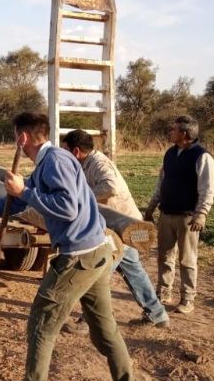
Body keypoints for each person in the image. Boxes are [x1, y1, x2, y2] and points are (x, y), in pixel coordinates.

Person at [0, 112, 137, 381]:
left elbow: (67, 206)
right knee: (105, 331)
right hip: (98, 252)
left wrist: (24, 191)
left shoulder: (55, 162)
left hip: (80, 257)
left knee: (41, 326)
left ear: (22, 138)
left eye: (13, 137)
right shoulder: (53, 161)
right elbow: (18, 204)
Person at [63, 129, 170, 328]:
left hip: (126, 229)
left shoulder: (98, 163)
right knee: (133, 270)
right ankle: (158, 315)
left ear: (76, 151)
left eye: (65, 151)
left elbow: (110, 187)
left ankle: (87, 322)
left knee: (98, 271)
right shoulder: (86, 164)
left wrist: (81, 199)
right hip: (126, 228)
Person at [144, 115, 214, 314]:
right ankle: (163, 292)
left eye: (173, 129)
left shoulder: (202, 156)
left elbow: (207, 189)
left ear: (184, 133)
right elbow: (161, 183)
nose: (170, 132)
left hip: (188, 218)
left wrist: (201, 213)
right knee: (164, 257)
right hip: (166, 214)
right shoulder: (169, 154)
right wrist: (151, 208)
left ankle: (187, 298)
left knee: (187, 260)